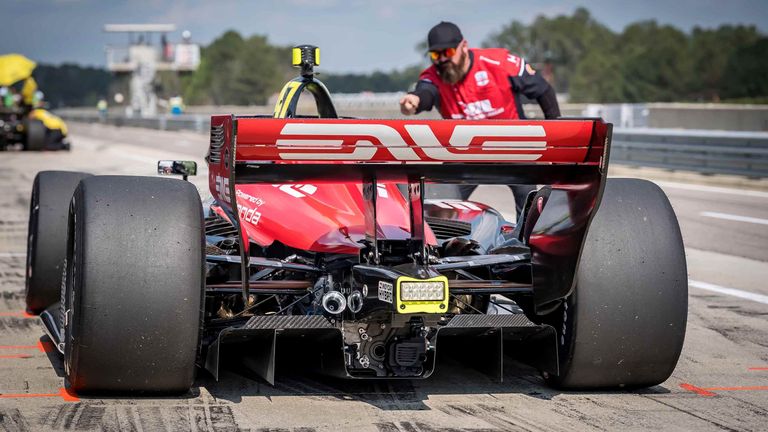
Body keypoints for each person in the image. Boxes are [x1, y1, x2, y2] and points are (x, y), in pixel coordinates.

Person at [400, 21, 561, 217]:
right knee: (437, 203)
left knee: (530, 202)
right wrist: (414, 100)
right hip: (465, 155)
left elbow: (543, 90)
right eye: (436, 55)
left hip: (513, 151)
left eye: (448, 52)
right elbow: (425, 93)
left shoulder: (499, 62)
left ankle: (527, 243)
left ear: (464, 46)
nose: (442, 60)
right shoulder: (433, 75)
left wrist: (556, 140)